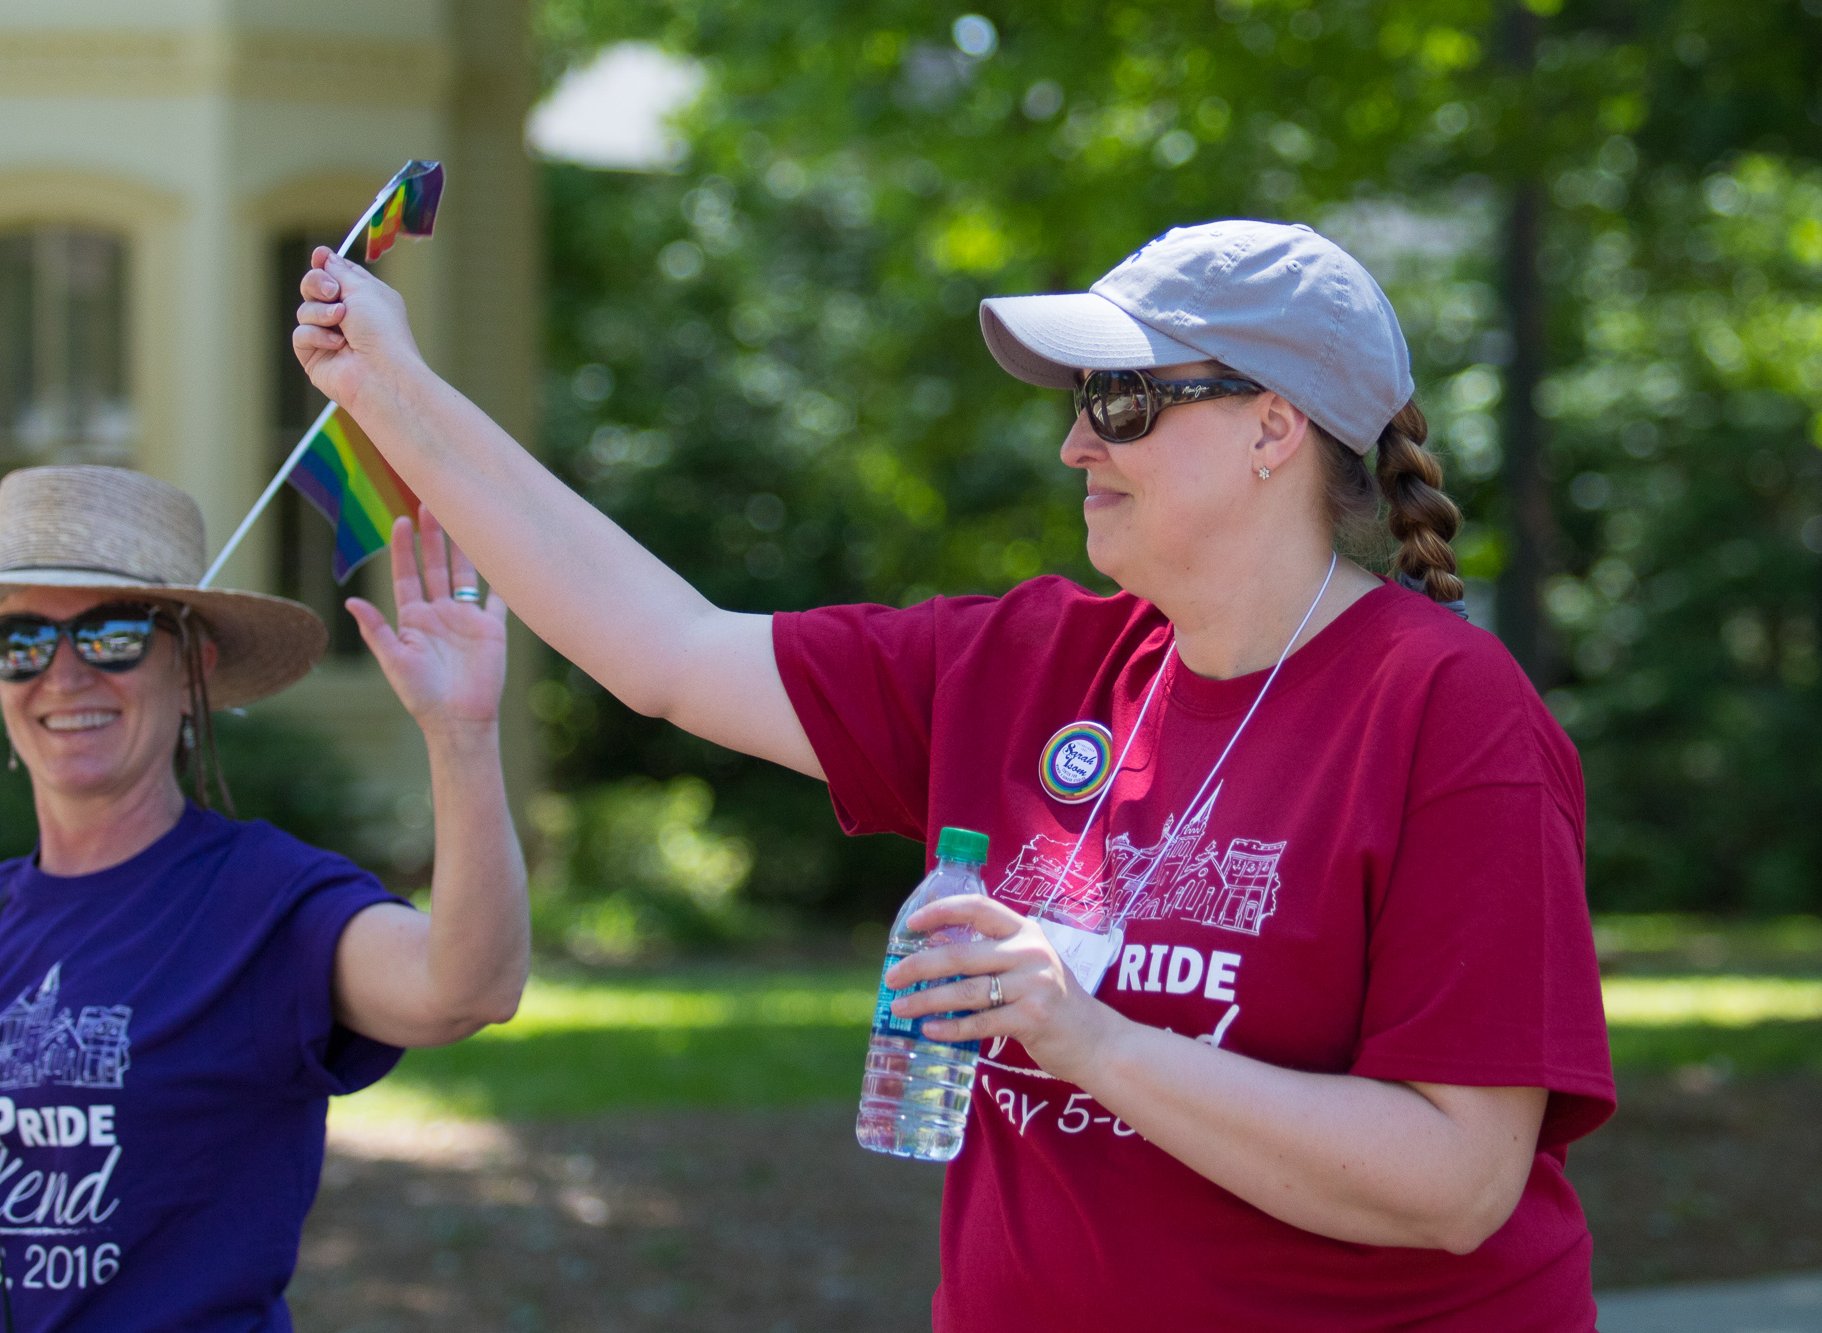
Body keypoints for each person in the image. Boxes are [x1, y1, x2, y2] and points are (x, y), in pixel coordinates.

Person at [291, 219, 1615, 1327]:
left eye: (1123, 401)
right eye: (1081, 405)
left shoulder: (1448, 712)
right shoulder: (1029, 661)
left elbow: (1456, 1179)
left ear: (1275, 427)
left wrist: (1084, 1035)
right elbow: (671, 653)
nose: (1074, 444)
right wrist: (391, 390)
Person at [0, 464, 529, 1333]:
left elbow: (467, 988)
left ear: (191, 662)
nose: (62, 674)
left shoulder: (265, 900)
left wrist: (461, 735)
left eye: (113, 634)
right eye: (19, 640)